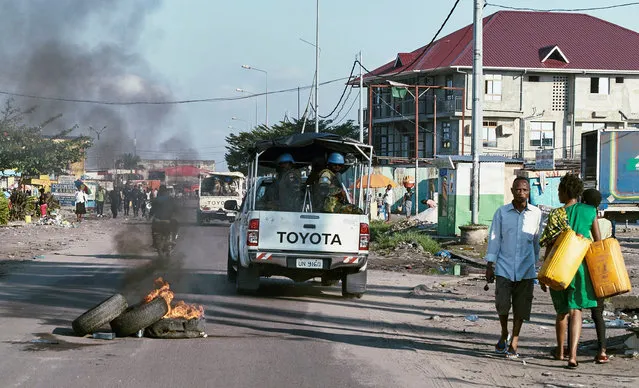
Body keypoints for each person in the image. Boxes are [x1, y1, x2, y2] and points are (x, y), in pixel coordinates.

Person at [538, 173, 601, 369]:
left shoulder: (556, 214)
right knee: (576, 311)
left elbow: (548, 245)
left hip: (558, 266)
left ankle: (560, 351)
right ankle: (573, 355)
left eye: (559, 190)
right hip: (580, 267)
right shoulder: (590, 211)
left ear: (566, 191)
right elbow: (598, 244)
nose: (558, 193)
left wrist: (543, 273)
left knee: (561, 312)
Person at [485, 177, 542, 359]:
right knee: (502, 305)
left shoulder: (536, 214)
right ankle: (504, 332)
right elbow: (494, 239)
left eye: (525, 190)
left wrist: (538, 266)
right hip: (504, 267)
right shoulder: (501, 213)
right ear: (512, 191)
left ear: (529, 192)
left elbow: (536, 242)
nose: (521, 193)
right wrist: (489, 265)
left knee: (521, 307)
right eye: (518, 190)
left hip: (526, 269)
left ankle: (514, 341)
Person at [581, 188, 611, 364]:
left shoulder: (581, 215)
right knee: (597, 313)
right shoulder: (606, 223)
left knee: (574, 311)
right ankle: (602, 350)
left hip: (582, 265)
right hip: (600, 268)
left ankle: (570, 349)